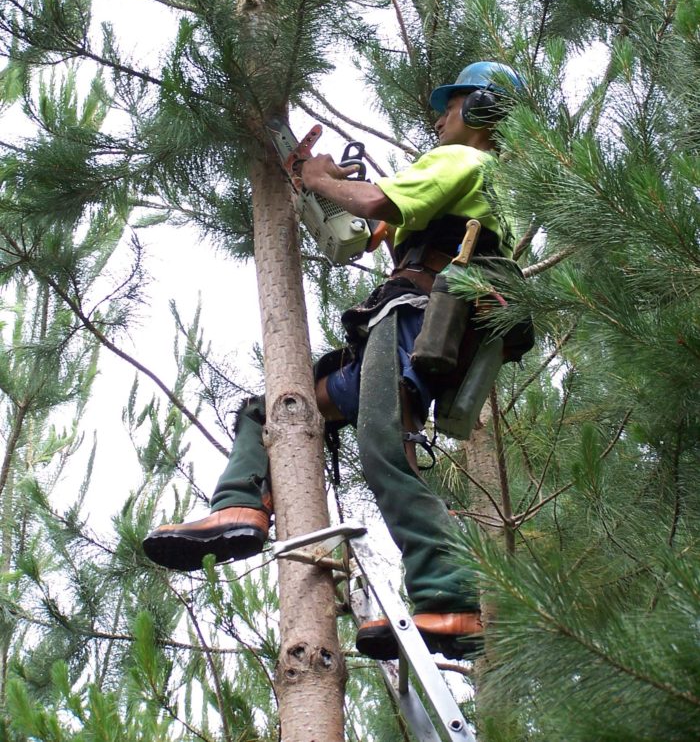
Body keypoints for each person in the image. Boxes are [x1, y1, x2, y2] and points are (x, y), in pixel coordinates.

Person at [143, 61, 524, 660]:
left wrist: (319, 179)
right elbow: (366, 229)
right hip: (427, 328)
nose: (438, 117)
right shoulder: (483, 185)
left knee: (383, 449)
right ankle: (238, 505)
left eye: (449, 107)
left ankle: (451, 598)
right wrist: (316, 187)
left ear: (479, 111)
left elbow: (377, 201)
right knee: (272, 408)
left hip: (415, 318)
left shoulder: (467, 160)